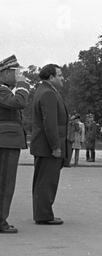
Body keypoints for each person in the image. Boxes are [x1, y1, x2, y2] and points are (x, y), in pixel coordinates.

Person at [30, 64, 68, 225]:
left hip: (43, 145)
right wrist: (56, 146)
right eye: (59, 75)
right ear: (51, 77)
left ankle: (42, 212)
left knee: (42, 180)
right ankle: (44, 215)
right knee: (47, 181)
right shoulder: (48, 94)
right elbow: (50, 123)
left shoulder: (43, 91)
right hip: (48, 147)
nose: (62, 78)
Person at [0, 55, 30, 234]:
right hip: (6, 141)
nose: (18, 75)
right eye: (15, 72)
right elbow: (18, 103)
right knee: (5, 182)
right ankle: (1, 221)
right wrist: (23, 86)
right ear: (4, 73)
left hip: (6, 140)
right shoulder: (2, 90)